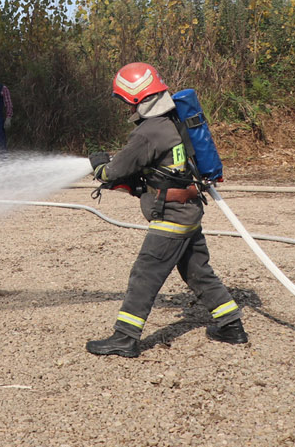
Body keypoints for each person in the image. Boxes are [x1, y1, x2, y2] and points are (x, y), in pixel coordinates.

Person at [85, 62, 247, 358]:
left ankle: (125, 337)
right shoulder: (175, 120)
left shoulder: (148, 132)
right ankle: (231, 325)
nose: (125, 107)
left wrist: (99, 166)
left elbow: (114, 171)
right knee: (197, 270)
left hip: (171, 216)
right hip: (189, 209)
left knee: (144, 275)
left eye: (124, 101)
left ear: (135, 98)